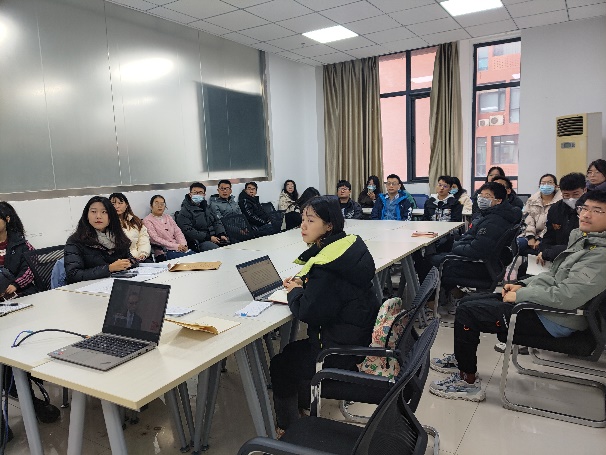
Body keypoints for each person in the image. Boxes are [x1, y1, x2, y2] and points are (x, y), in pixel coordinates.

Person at [429, 190, 606, 402]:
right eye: (584, 208)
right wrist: (521, 285)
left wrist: (522, 295)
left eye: (597, 211)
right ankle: (461, 359)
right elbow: (553, 275)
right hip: (546, 306)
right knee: (468, 301)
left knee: (468, 312)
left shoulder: (600, 255)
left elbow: (568, 297)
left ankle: (467, 382)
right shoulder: (585, 241)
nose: (586, 214)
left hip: (556, 317)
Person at [269, 196, 380, 432]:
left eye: (311, 220)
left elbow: (307, 312)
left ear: (329, 226)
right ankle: (302, 406)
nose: (303, 226)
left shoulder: (326, 267)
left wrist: (295, 291)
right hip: (357, 338)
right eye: (302, 219)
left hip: (337, 354)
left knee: (280, 365)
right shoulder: (346, 250)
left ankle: (289, 429)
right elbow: (331, 292)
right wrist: (305, 282)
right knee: (289, 352)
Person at [430, 182, 523, 308]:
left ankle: (431, 302)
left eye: (487, 196)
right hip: (491, 264)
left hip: (481, 267)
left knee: (430, 261)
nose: (482, 198)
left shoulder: (494, 221)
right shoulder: (497, 214)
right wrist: (457, 243)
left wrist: (455, 247)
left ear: (499, 200)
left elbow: (476, 249)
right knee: (443, 247)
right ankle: (452, 292)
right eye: (481, 195)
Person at [64, 196, 134, 284]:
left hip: (114, 284)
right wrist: (109, 268)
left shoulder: (117, 236)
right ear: (87, 215)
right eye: (93, 212)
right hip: (86, 288)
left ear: (111, 216)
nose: (98, 216)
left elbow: (131, 259)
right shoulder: (76, 241)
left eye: (104, 212)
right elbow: (73, 274)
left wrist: (129, 262)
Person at [537, 172, 586, 265]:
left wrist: (551, 252)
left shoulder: (591, 211)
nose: (571, 198)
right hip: (556, 256)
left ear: (585, 190)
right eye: (566, 195)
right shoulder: (555, 209)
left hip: (581, 257)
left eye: (575, 194)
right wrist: (542, 251)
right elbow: (548, 235)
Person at [518, 174, 562, 256]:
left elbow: (552, 223)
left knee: (543, 248)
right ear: (539, 186)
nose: (546, 185)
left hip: (549, 236)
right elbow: (528, 218)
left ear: (556, 186)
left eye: (549, 183)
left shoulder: (560, 202)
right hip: (530, 234)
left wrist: (540, 238)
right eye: (543, 183)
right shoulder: (532, 200)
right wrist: (530, 237)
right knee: (517, 245)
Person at [177, 182, 229, 251]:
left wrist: (221, 234)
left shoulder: (207, 207)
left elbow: (216, 221)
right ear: (190, 194)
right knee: (217, 250)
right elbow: (188, 231)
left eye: (200, 192)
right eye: (195, 193)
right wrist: (209, 238)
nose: (197, 195)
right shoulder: (184, 212)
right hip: (201, 241)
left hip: (214, 236)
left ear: (204, 195)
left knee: (231, 244)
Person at [0, 202, 36, 300]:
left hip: (19, 292)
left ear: (7, 219)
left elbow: (31, 268)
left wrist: (16, 284)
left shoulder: (21, 244)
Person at [143, 195, 195, 260]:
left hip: (178, 247)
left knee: (194, 255)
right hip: (164, 251)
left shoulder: (168, 217)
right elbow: (155, 239)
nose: (160, 206)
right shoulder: (147, 220)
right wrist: (176, 246)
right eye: (157, 203)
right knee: (189, 258)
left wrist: (183, 245)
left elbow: (178, 232)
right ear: (151, 206)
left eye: (162, 204)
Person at [109, 193, 151, 262]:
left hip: (138, 257)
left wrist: (143, 253)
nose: (117, 206)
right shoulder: (107, 223)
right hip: (120, 260)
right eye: (113, 204)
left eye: (120, 203)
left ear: (126, 205)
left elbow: (143, 238)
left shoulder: (135, 221)